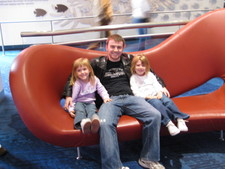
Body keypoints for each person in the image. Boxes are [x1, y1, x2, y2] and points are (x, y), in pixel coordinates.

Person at [63, 34, 166, 169]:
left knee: (155, 116)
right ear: (107, 46)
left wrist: (161, 86)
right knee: (104, 124)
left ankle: (148, 158)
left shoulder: (130, 59)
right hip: (109, 100)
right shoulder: (96, 63)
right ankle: (113, 166)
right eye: (112, 47)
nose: (115, 50)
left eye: (119, 47)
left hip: (131, 97)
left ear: (123, 48)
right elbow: (74, 75)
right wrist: (68, 95)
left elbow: (150, 73)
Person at [130, 54, 190, 136]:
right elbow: (136, 92)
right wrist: (148, 97)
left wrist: (159, 92)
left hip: (157, 93)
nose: (140, 67)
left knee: (168, 101)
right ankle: (168, 123)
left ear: (147, 66)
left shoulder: (150, 75)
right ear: (134, 66)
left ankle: (180, 118)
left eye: (143, 65)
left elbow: (157, 84)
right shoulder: (133, 78)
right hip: (148, 98)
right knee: (157, 104)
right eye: (138, 65)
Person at [67, 58, 111, 134]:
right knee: (80, 111)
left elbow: (101, 89)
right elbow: (74, 98)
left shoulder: (95, 79)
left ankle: (94, 122)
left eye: (84, 69)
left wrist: (106, 97)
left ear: (89, 69)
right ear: (75, 73)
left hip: (91, 102)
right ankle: (81, 124)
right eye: (79, 70)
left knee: (92, 111)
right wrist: (71, 109)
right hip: (79, 102)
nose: (82, 72)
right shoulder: (78, 83)